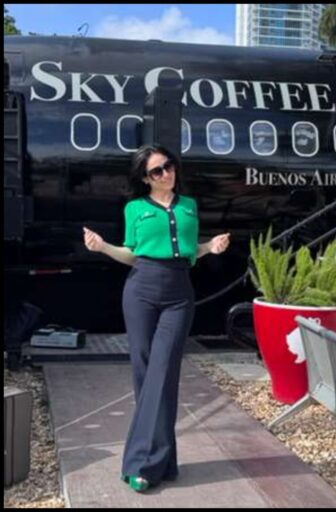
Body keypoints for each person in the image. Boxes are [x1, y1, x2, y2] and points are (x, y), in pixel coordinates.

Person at [83, 145, 231, 492]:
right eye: (157, 171)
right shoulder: (135, 208)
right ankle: (163, 461)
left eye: (169, 166)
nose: (167, 174)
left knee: (163, 372)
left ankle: (141, 464)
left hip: (179, 293)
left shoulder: (189, 205)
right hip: (141, 292)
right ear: (145, 179)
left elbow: (192, 250)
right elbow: (132, 254)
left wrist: (211, 247)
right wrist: (102, 247)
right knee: (145, 374)